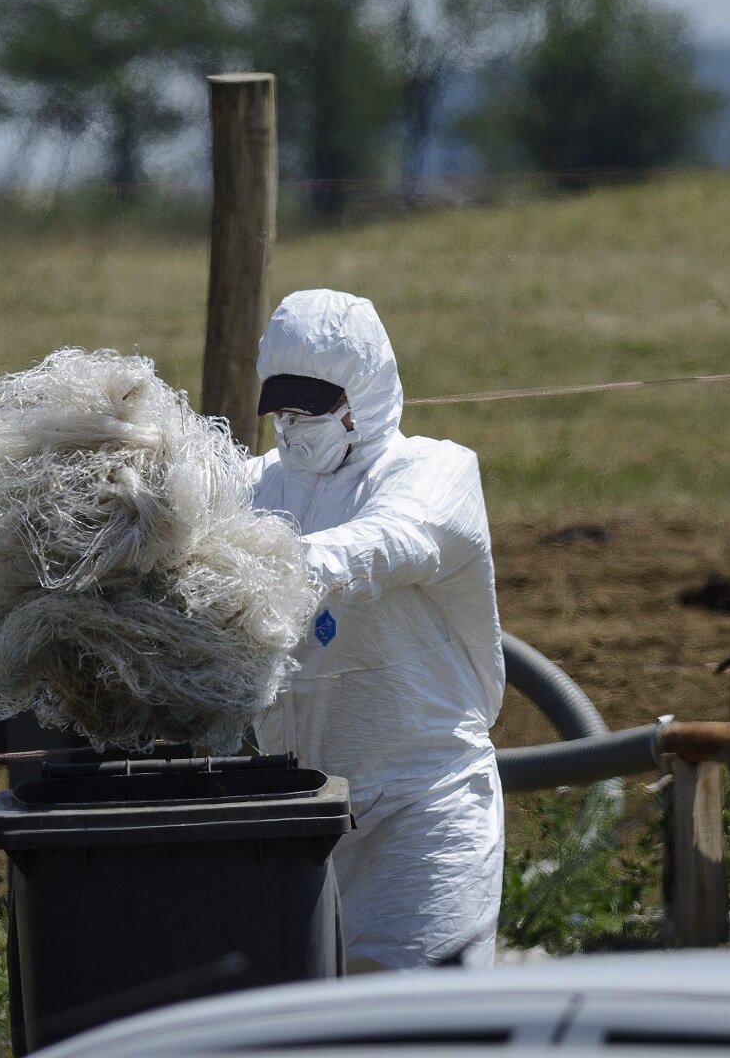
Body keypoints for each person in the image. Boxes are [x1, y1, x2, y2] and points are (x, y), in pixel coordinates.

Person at [245, 288, 506, 971]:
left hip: (423, 812)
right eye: (283, 409)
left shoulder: (434, 473)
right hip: (305, 816)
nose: (295, 425)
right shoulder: (265, 486)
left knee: (425, 1028)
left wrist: (264, 566)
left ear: (364, 395)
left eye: (313, 407)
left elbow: (388, 542)